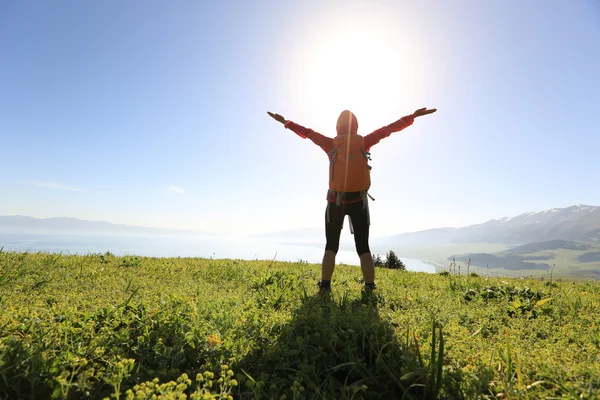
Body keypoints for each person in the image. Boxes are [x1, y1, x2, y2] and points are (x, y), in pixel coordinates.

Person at [267, 107, 436, 292]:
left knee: (331, 246)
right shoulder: (364, 142)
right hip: (359, 201)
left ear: (337, 127)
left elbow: (308, 133)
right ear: (356, 126)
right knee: (363, 247)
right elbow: (388, 129)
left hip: (335, 201)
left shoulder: (330, 144)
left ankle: (325, 287)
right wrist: (412, 116)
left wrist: (286, 122)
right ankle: (370, 287)